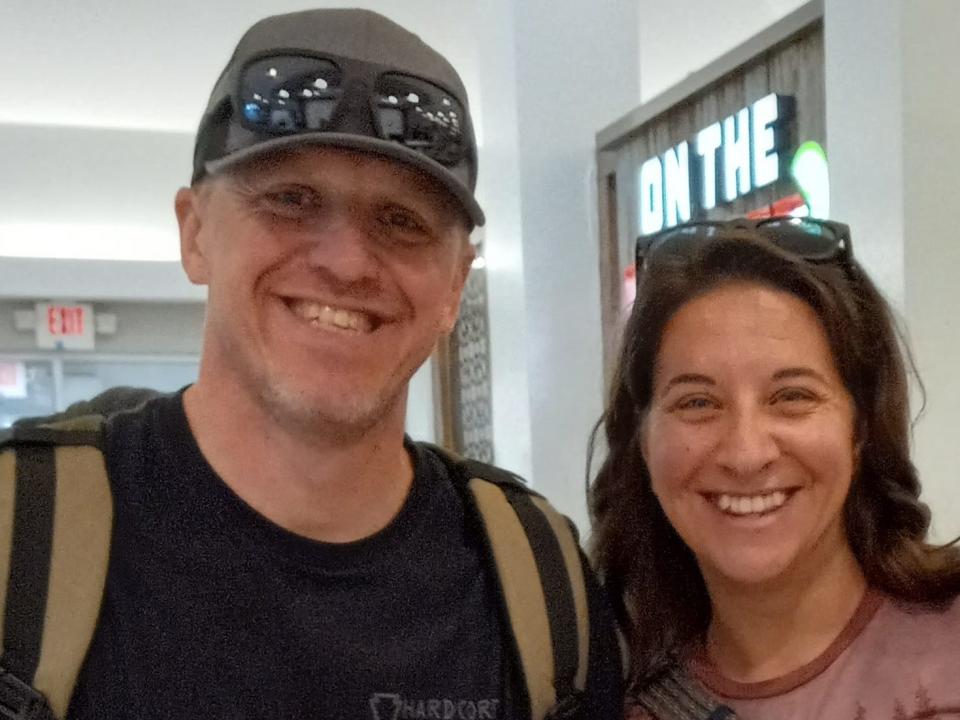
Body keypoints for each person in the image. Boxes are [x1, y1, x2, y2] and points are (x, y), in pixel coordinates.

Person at [0, 9, 622, 719]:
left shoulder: (543, 587)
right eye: (291, 200)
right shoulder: (21, 545)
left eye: (402, 221)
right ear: (195, 231)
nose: (347, 262)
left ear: (455, 283)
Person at [588, 218, 960, 719]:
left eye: (792, 397)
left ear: (862, 425)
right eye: (698, 402)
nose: (746, 453)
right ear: (642, 440)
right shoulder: (601, 693)